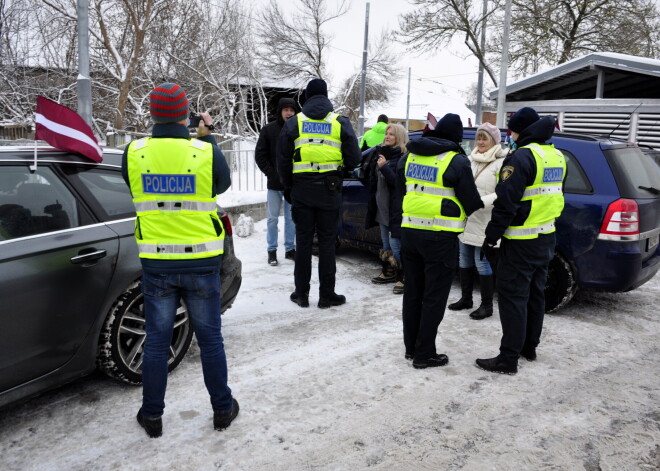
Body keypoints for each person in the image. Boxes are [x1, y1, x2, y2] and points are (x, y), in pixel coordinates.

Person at [122, 83, 239, 437]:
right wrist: (208, 138)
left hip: (157, 264)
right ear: (185, 113)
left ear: (153, 114)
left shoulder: (134, 151)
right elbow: (219, 185)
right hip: (202, 262)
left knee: (157, 341)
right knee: (210, 339)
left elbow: (134, 188)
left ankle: (152, 416)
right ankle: (222, 409)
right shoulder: (203, 151)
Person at [476, 107, 566, 375]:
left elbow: (506, 202)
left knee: (513, 297)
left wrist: (491, 237)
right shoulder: (555, 155)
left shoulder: (522, 157)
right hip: (545, 236)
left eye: (511, 130)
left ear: (520, 131)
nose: (509, 135)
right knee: (535, 295)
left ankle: (508, 358)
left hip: (520, 240)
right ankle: (529, 346)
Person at [398, 113, 484, 369]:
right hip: (440, 237)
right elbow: (470, 201)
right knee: (434, 297)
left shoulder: (409, 155)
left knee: (413, 293)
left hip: (410, 231)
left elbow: (402, 189)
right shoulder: (455, 160)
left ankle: (411, 348)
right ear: (456, 138)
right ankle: (425, 354)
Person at [277, 78, 361, 309]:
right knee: (327, 243)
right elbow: (355, 158)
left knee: (303, 242)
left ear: (307, 97)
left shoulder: (295, 122)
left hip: (302, 190)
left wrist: (288, 187)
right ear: (326, 96)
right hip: (329, 190)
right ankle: (326, 295)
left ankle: (301, 294)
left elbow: (283, 160)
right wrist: (341, 167)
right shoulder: (339, 122)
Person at [448, 122, 506, 319]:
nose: (480, 142)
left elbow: (503, 193)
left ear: (494, 141)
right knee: (463, 259)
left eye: (484, 138)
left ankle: (487, 306)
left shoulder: (501, 162)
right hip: (466, 219)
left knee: (481, 263)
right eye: (479, 138)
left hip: (485, 220)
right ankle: (466, 299)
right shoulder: (470, 159)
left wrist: (479, 202)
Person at [364, 123, 409, 294]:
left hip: (395, 209)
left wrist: (384, 168)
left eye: (392, 134)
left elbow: (399, 184)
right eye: (386, 134)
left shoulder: (403, 158)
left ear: (399, 137)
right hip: (381, 208)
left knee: (396, 244)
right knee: (385, 243)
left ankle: (403, 277)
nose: (387, 137)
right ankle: (389, 271)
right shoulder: (382, 154)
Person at [255, 97, 298, 266]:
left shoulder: (298, 130)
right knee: (272, 219)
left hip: (292, 184)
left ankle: (290, 249)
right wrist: (271, 174)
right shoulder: (268, 130)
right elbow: (260, 155)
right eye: (286, 110)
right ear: (280, 111)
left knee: (291, 218)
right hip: (274, 184)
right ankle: (271, 250)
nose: (289, 113)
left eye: (292, 110)